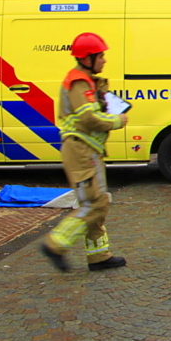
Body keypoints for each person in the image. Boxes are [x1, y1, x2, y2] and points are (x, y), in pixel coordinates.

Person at [41, 32, 128, 273]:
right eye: (101, 56)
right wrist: (118, 120)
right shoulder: (78, 83)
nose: (104, 60)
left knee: (95, 202)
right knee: (95, 203)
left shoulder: (87, 81)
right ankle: (55, 244)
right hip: (81, 150)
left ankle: (99, 256)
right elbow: (88, 118)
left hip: (88, 149)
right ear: (87, 58)